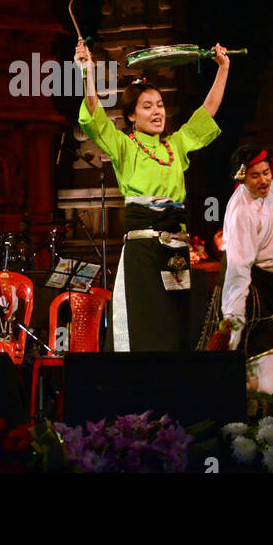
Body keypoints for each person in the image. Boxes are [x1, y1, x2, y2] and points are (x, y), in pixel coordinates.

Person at [74, 40, 228, 351]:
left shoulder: (175, 146)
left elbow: (207, 113)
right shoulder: (124, 146)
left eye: (159, 104)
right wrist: (87, 73)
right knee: (146, 326)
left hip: (176, 249)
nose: (157, 111)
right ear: (131, 116)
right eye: (147, 106)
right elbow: (94, 116)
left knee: (176, 325)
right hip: (143, 249)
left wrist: (223, 68)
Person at [213, 124, 273, 416]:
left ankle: (265, 425)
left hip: (266, 283)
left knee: (258, 363)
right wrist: (234, 318)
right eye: (255, 175)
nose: (264, 180)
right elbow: (239, 266)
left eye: (266, 172)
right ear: (242, 178)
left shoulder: (269, 191)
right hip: (248, 289)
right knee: (266, 358)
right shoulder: (240, 209)